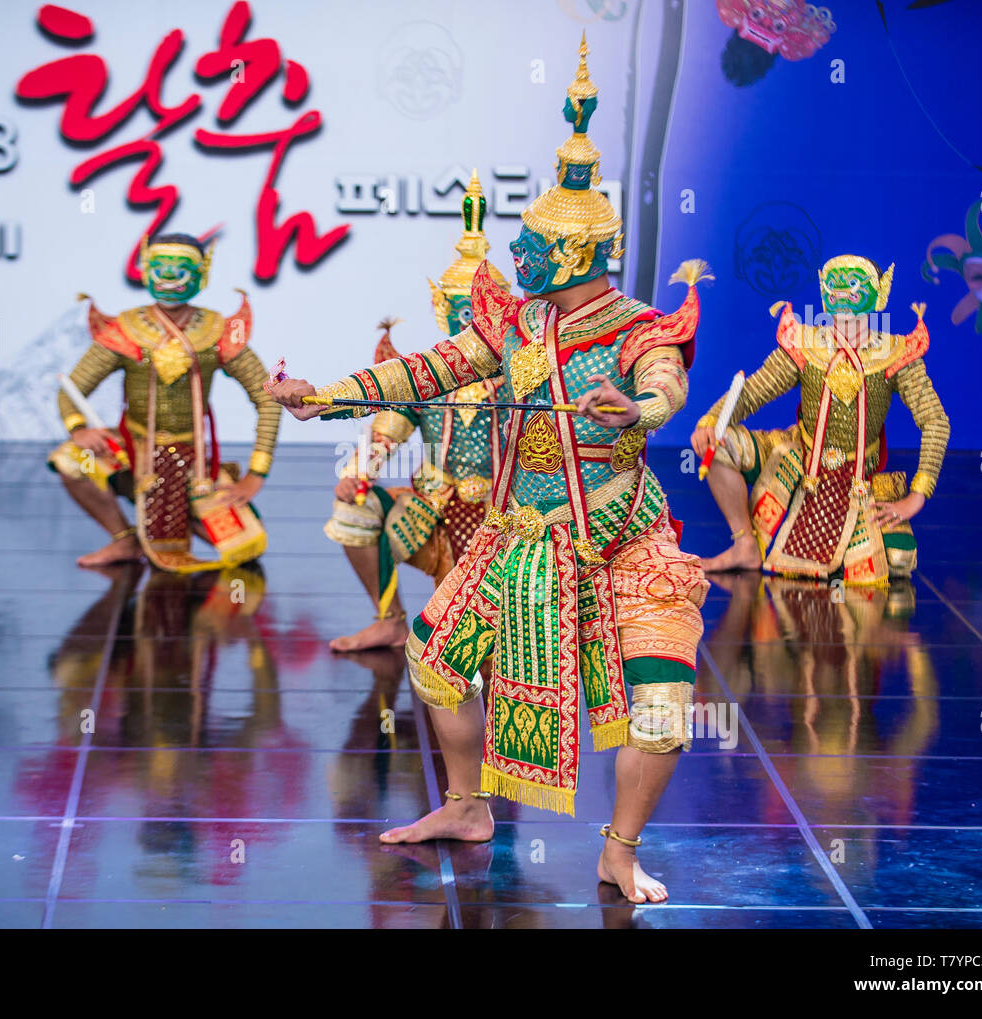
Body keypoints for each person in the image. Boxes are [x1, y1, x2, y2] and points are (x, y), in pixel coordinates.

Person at [271, 38, 710, 903]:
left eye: (535, 245)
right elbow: (428, 369)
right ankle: (468, 806)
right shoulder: (517, 323)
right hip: (517, 538)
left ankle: (618, 849)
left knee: (661, 713)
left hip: (618, 540)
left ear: (580, 256)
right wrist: (330, 395)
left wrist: (643, 411)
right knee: (434, 663)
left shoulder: (634, 330)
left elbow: (666, 383)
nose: (519, 254)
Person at [324, 173, 512, 651]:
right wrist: (358, 472)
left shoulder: (520, 374)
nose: (469, 323)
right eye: (460, 310)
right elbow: (387, 431)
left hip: (508, 513)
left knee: (497, 629)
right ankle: (389, 619)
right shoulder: (427, 375)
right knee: (354, 510)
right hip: (432, 506)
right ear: (439, 305)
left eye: (479, 312)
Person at [692, 254, 949, 585]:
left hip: (859, 478)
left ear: (880, 295)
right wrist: (711, 421)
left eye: (853, 287)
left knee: (898, 559)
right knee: (720, 445)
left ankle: (845, 549)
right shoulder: (806, 344)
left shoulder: (896, 354)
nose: (842, 296)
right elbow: (754, 390)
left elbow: (935, 421)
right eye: (835, 287)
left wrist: (917, 495)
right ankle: (745, 545)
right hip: (801, 461)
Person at [47, 231, 279, 571]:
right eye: (160, 267)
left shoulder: (216, 332)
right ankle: (124, 538)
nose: (169, 277)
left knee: (246, 547)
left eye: (180, 269)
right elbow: (71, 389)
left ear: (202, 273)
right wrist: (79, 428)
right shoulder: (126, 329)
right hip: (132, 451)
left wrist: (256, 474)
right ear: (144, 270)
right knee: (71, 460)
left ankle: (176, 514)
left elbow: (268, 397)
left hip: (193, 463)